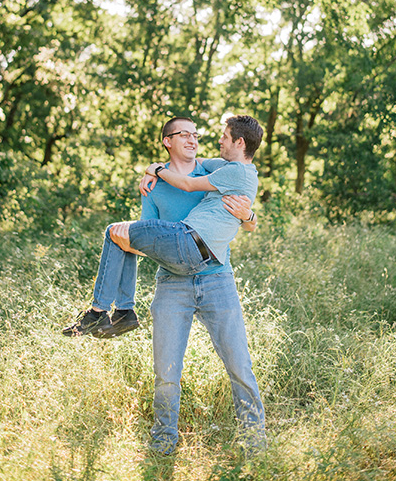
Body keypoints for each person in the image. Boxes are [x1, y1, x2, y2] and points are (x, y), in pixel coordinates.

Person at [63, 114, 268, 455]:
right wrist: (153, 172)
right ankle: (163, 441)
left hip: (217, 278)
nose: (193, 140)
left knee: (239, 364)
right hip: (173, 282)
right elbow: (141, 239)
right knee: (166, 371)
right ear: (167, 141)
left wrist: (249, 217)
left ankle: (255, 443)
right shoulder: (155, 187)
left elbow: (245, 215)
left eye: (196, 134)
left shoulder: (213, 169)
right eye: (183, 134)